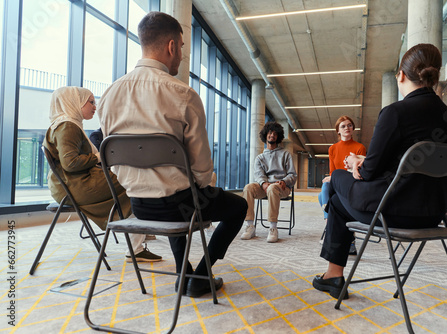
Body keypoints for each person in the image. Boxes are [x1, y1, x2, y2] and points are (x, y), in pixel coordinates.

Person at [97, 12, 247, 298]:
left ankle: (183, 273)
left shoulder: (109, 94)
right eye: (181, 46)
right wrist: (202, 186)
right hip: (180, 206)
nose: (181, 54)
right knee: (235, 206)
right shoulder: (183, 94)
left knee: (183, 191)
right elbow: (201, 168)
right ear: (171, 46)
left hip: (138, 206)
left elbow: (112, 159)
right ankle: (201, 275)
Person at [312, 43, 447, 299]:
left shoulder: (395, 112)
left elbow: (369, 172)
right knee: (337, 201)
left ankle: (334, 276)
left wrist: (357, 163)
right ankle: (332, 275)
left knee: (336, 178)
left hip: (392, 212)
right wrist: (364, 161)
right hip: (433, 214)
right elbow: (407, 163)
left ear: (401, 76)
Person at [43, 86, 162, 263]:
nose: (95, 106)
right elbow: (71, 163)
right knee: (135, 186)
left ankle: (135, 243)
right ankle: (136, 248)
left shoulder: (65, 124)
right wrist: (99, 156)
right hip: (76, 185)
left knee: (133, 185)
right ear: (74, 103)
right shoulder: (67, 126)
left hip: (72, 184)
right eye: (90, 102)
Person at [240, 121, 297, 243]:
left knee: (272, 188)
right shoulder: (260, 158)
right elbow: (259, 175)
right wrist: (263, 183)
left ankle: (273, 228)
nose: (272, 135)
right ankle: (250, 225)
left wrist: (284, 181)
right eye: (270, 133)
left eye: (275, 133)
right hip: (266, 187)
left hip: (282, 188)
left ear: (278, 137)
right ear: (265, 135)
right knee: (248, 187)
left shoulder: (286, 154)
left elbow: (293, 175)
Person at [318, 116, 366, 253]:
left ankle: (329, 226)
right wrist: (331, 177)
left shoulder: (359, 147)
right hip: (336, 182)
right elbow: (333, 171)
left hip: (352, 184)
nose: (347, 128)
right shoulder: (332, 149)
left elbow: (360, 171)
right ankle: (330, 224)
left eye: (350, 125)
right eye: (343, 126)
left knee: (322, 196)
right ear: (338, 131)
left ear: (353, 128)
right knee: (325, 187)